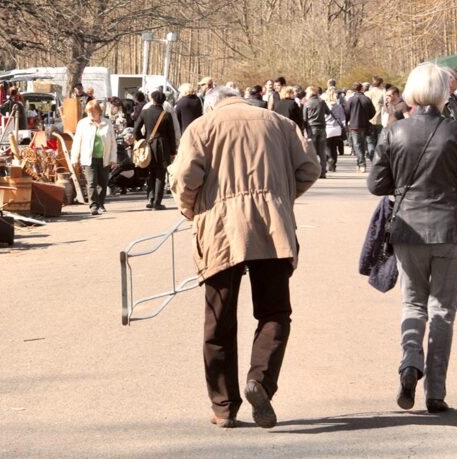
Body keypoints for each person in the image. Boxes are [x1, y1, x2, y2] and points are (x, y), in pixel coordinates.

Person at [172, 86, 319, 429]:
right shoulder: (280, 124)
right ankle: (260, 381)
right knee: (274, 311)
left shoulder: (202, 127)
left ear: (212, 104)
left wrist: (191, 209)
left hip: (221, 228)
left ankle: (224, 407)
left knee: (218, 320)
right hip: (272, 227)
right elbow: (310, 168)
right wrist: (279, 197)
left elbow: (184, 177)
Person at [367, 63, 457, 414]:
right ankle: (434, 392)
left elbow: (376, 184)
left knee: (413, 305)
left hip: (408, 230)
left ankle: (410, 363)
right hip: (451, 228)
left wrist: (404, 182)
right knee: (443, 311)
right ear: (444, 92)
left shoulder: (395, 132)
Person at [70, 100, 117, 216]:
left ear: (99, 112)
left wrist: (113, 158)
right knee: (91, 183)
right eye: (88, 112)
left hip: (103, 158)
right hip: (88, 158)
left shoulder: (107, 123)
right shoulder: (83, 123)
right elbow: (77, 142)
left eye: (92, 112)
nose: (90, 114)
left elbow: (112, 142)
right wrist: (74, 158)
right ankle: (93, 206)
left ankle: (101, 204)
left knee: (103, 183)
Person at [134, 90, 176, 210]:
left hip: (149, 145)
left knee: (150, 173)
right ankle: (157, 202)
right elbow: (171, 135)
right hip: (163, 146)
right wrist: (173, 151)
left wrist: (143, 140)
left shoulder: (145, 112)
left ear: (152, 99)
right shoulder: (166, 115)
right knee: (160, 174)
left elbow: (136, 130)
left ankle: (150, 198)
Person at [345, 83, 376, 173]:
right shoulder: (366, 99)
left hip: (354, 125)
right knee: (362, 144)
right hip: (365, 124)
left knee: (357, 145)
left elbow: (346, 112)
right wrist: (367, 118)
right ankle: (359, 163)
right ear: (361, 88)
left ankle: (362, 163)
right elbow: (373, 112)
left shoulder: (351, 100)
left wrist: (348, 121)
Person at [302, 86, 328, 178]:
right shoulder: (322, 102)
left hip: (311, 128)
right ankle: (323, 171)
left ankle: (313, 171)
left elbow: (304, 118)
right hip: (322, 128)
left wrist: (304, 130)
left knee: (312, 151)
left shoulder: (307, 103)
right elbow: (328, 112)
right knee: (322, 151)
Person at [323, 87, 346, 173]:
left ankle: (330, 159)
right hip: (337, 128)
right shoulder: (339, 106)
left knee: (327, 146)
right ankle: (333, 166)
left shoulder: (325, 105)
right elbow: (342, 118)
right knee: (334, 147)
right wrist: (343, 126)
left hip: (328, 128)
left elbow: (323, 117)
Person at [366, 76, 386, 160]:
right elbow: (386, 105)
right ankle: (378, 157)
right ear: (381, 83)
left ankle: (371, 155)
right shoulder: (383, 92)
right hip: (380, 120)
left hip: (370, 119)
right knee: (379, 140)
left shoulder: (369, 93)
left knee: (370, 141)